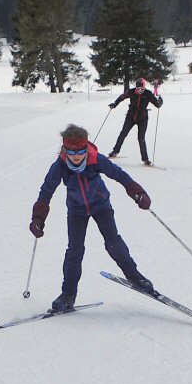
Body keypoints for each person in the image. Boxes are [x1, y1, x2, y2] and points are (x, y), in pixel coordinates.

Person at [30, 124, 156, 313]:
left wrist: (137, 193)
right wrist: (38, 218)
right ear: (65, 149)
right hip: (76, 211)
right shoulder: (60, 166)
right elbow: (46, 192)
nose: (76, 156)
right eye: (71, 152)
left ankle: (136, 278)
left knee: (113, 242)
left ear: (86, 147)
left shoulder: (96, 160)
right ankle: (68, 295)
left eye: (80, 151)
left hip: (101, 206)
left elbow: (120, 176)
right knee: (74, 251)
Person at [108, 77, 163, 165]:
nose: (140, 90)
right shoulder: (131, 92)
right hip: (130, 117)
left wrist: (160, 102)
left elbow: (157, 104)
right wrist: (115, 104)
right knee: (123, 133)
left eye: (142, 89)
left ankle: (145, 159)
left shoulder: (148, 94)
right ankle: (115, 151)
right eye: (138, 89)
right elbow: (121, 97)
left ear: (144, 88)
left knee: (141, 138)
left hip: (143, 119)